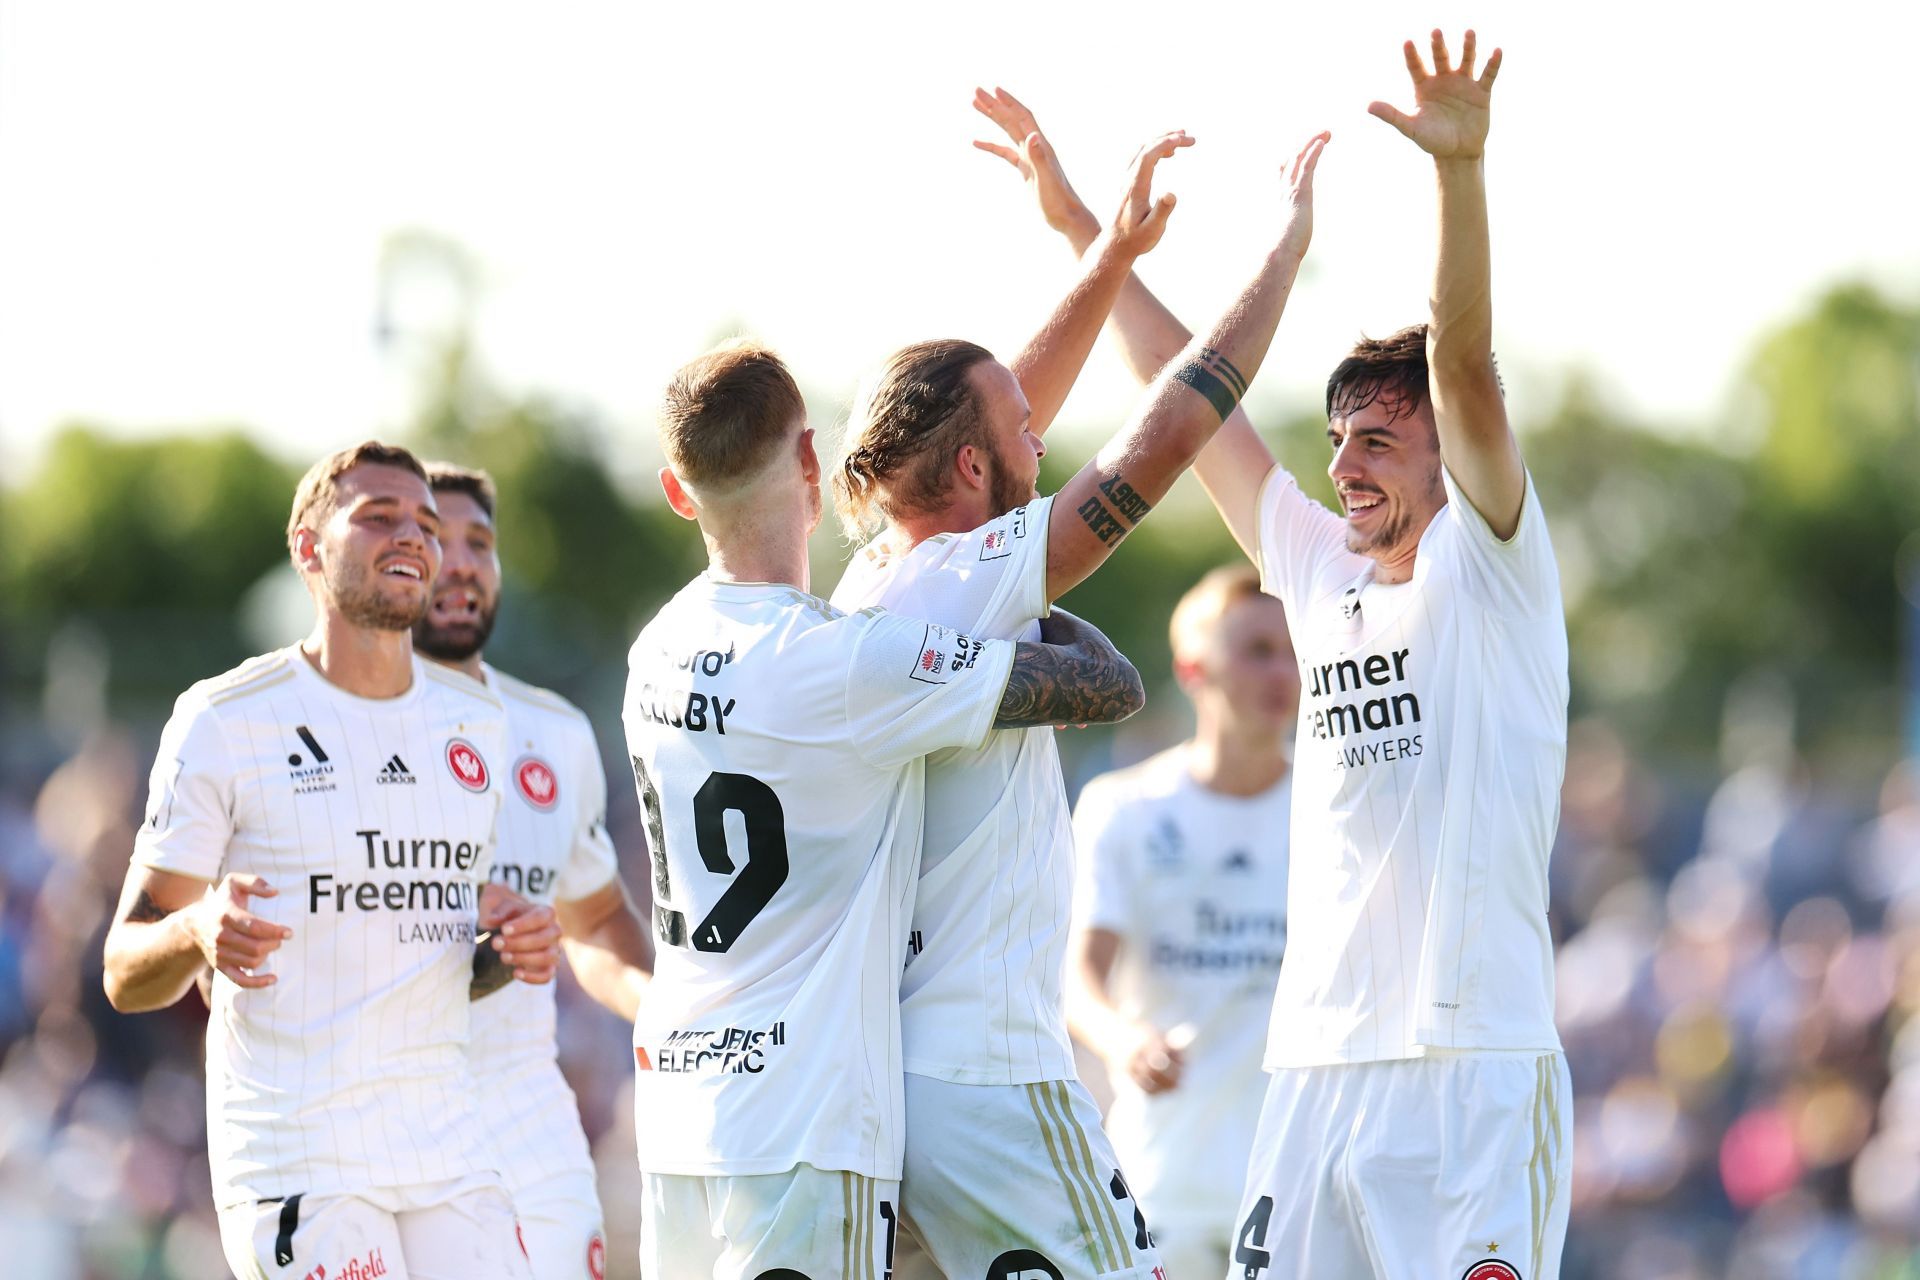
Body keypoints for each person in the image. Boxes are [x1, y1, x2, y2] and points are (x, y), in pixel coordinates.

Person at [978, 31, 1572, 1278]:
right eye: (1339, 437)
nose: (1346, 465)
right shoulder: (1316, 570)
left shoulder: (1492, 568)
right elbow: (1188, 404)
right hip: (1312, 1073)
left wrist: (1457, 175)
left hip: (1468, 1072)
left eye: (1379, 442)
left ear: (1447, 461)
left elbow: (1462, 362)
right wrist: (1090, 234)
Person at [829, 116, 1325, 1280]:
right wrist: (1286, 258)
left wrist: (1100, 256)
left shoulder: (876, 575)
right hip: (996, 1075)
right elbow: (1178, 421)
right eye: (1021, 441)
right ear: (967, 471)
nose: (1042, 447)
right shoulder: (978, 578)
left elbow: (1000, 414)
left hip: (892, 1079)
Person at [624, 341, 1147, 1279]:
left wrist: (1104, 260)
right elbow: (1104, 683)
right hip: (807, 1110)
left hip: (680, 1104)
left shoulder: (656, 649)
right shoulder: (846, 660)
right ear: (811, 466)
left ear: (674, 489)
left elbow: (975, 445)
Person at [102, 441, 562, 1280]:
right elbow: (123, 970)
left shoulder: (477, 723)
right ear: (308, 549)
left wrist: (506, 952)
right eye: (379, 516)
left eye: (426, 523)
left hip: (449, 1153)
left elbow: (428, 948)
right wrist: (199, 928)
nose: (414, 538)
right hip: (300, 1160)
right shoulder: (225, 720)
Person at [414, 462, 654, 1280]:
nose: (461, 563)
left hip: (528, 1128)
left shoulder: (554, 731)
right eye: (435, 540)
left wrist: (670, 1017)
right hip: (381, 1132)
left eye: (479, 542)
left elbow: (594, 924)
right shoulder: (310, 727)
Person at [1066, 565, 1296, 1280]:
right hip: (1163, 1180)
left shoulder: (1340, 809)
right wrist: (1124, 1040)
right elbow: (1078, 980)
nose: (1283, 671)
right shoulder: (1123, 807)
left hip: (1296, 1185)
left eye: (1294, 650)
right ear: (1194, 668)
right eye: (1257, 650)